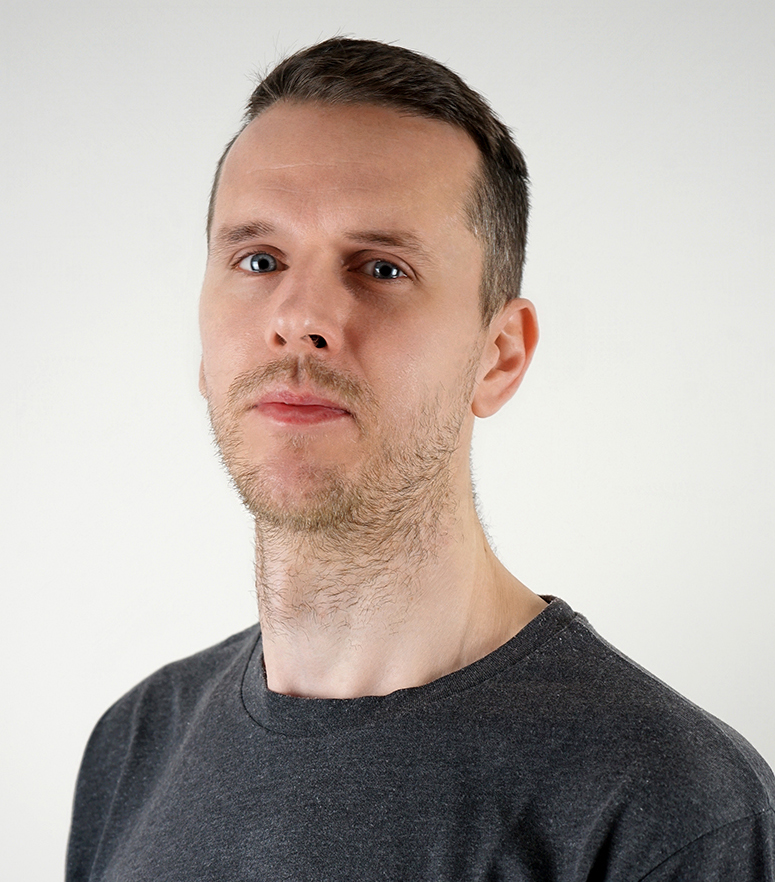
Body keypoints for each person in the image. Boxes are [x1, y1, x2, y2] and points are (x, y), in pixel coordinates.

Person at [66, 37, 775, 881]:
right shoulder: (136, 742)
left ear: (499, 356)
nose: (298, 317)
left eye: (381, 267)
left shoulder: (668, 809)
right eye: (259, 260)